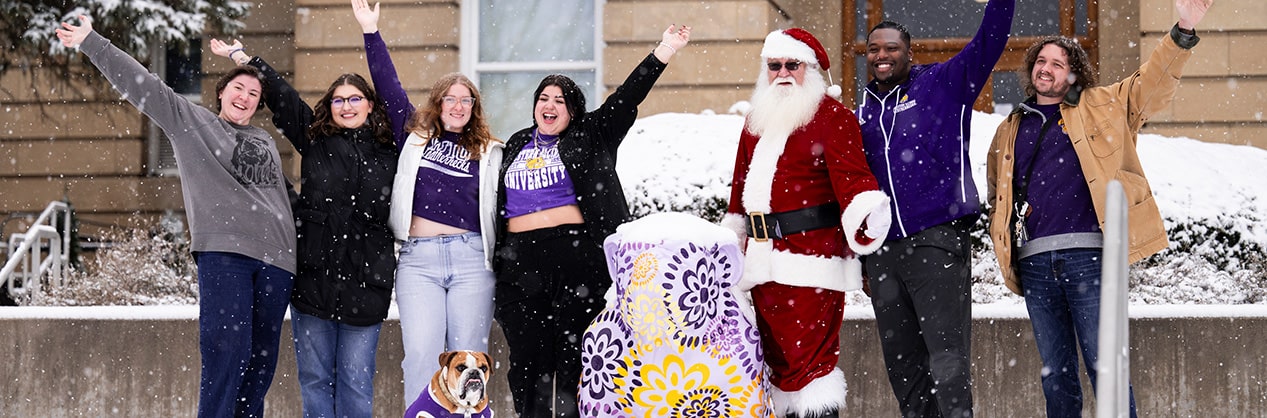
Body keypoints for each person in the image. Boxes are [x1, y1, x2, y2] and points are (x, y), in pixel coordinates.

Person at [57, 16, 296, 417]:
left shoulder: (265, 140)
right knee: (225, 359)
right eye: (238, 87)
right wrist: (92, 42)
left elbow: (283, 199)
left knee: (259, 368)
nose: (246, 96)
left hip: (278, 265)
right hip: (226, 256)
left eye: (254, 92)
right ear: (221, 94)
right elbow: (145, 86)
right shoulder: (193, 124)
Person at [985, 1, 1214, 416]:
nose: (1046, 68)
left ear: (1074, 73)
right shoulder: (1010, 127)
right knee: (1056, 378)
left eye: (1058, 62)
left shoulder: (1105, 104)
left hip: (1090, 259)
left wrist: (1183, 30)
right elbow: (996, 196)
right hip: (1035, 265)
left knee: (1105, 369)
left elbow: (1153, 83)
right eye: (1041, 60)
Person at [492, 24, 690, 418]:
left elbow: (628, 97)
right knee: (527, 363)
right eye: (544, 98)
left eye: (560, 100)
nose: (550, 105)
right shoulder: (515, 142)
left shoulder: (593, 133)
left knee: (574, 360)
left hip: (577, 264)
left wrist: (664, 50)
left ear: (573, 110)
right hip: (520, 266)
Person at [209, 37, 398, 417]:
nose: (346, 106)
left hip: (367, 280)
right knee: (314, 380)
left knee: (356, 380)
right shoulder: (315, 138)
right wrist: (241, 57)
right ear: (329, 107)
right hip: (314, 280)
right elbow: (280, 95)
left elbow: (394, 89)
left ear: (370, 105)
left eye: (355, 99)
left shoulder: (391, 150)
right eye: (338, 100)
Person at [720, 28, 891, 418]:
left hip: (811, 264)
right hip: (762, 268)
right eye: (774, 65)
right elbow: (740, 189)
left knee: (810, 370)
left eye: (792, 65)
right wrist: (732, 241)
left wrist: (867, 214)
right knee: (778, 370)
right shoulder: (755, 120)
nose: (782, 73)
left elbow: (854, 178)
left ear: (809, 69)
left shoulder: (832, 117)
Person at [854, 0, 1014, 416]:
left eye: (891, 48)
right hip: (883, 254)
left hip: (936, 242)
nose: (882, 55)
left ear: (909, 52)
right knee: (902, 365)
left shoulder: (943, 83)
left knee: (946, 360)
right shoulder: (863, 110)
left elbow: (990, 42)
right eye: (874, 49)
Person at [351, 0, 505, 407]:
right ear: (438, 104)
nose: (458, 106)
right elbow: (388, 86)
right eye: (450, 99)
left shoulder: (490, 152)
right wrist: (371, 31)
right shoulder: (416, 139)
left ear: (474, 109)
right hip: (419, 261)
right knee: (420, 355)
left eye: (466, 101)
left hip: (472, 260)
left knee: (470, 359)